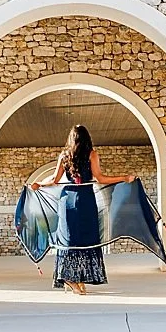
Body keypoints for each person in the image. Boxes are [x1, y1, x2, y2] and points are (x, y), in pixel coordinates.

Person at [30, 125, 135, 294]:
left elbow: (54, 180)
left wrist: (38, 184)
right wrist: (124, 177)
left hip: (67, 201)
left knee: (70, 238)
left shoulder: (65, 155)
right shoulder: (92, 154)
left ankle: (75, 278)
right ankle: (70, 278)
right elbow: (100, 178)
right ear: (87, 138)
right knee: (85, 236)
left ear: (72, 138)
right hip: (86, 199)